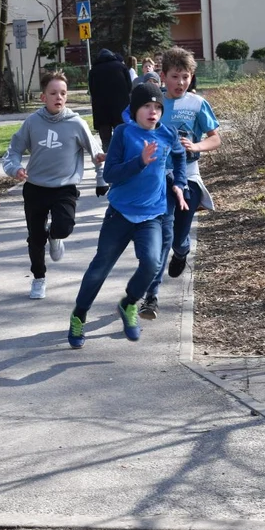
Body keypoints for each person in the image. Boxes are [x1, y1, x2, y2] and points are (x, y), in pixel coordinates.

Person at [67, 82, 188, 348]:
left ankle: (129, 302)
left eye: (157, 106)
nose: (153, 111)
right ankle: (79, 315)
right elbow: (110, 174)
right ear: (135, 110)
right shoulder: (123, 133)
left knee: (153, 263)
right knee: (100, 269)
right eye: (146, 106)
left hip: (152, 215)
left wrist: (180, 183)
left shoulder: (167, 134)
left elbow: (180, 157)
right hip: (120, 214)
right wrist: (140, 162)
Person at [2, 71, 107, 300]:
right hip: (36, 187)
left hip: (64, 187)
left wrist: (101, 178)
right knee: (35, 238)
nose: (59, 97)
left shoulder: (76, 123)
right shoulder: (32, 123)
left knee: (64, 227)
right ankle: (39, 279)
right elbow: (13, 151)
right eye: (53, 93)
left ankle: (56, 235)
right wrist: (16, 168)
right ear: (43, 97)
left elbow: (96, 151)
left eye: (63, 93)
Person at [138, 46, 221, 320]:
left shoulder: (197, 104)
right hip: (158, 181)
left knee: (177, 237)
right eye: (175, 76)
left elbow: (215, 138)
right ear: (163, 76)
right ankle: (151, 298)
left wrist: (196, 145)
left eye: (186, 76)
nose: (181, 83)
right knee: (162, 236)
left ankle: (182, 249)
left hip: (190, 177)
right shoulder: (154, 103)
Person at [87, 48, 132, 152]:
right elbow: (129, 86)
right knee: (121, 134)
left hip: (101, 108)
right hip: (120, 107)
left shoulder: (94, 70)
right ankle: (122, 156)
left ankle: (108, 156)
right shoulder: (121, 66)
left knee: (106, 138)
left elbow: (92, 90)